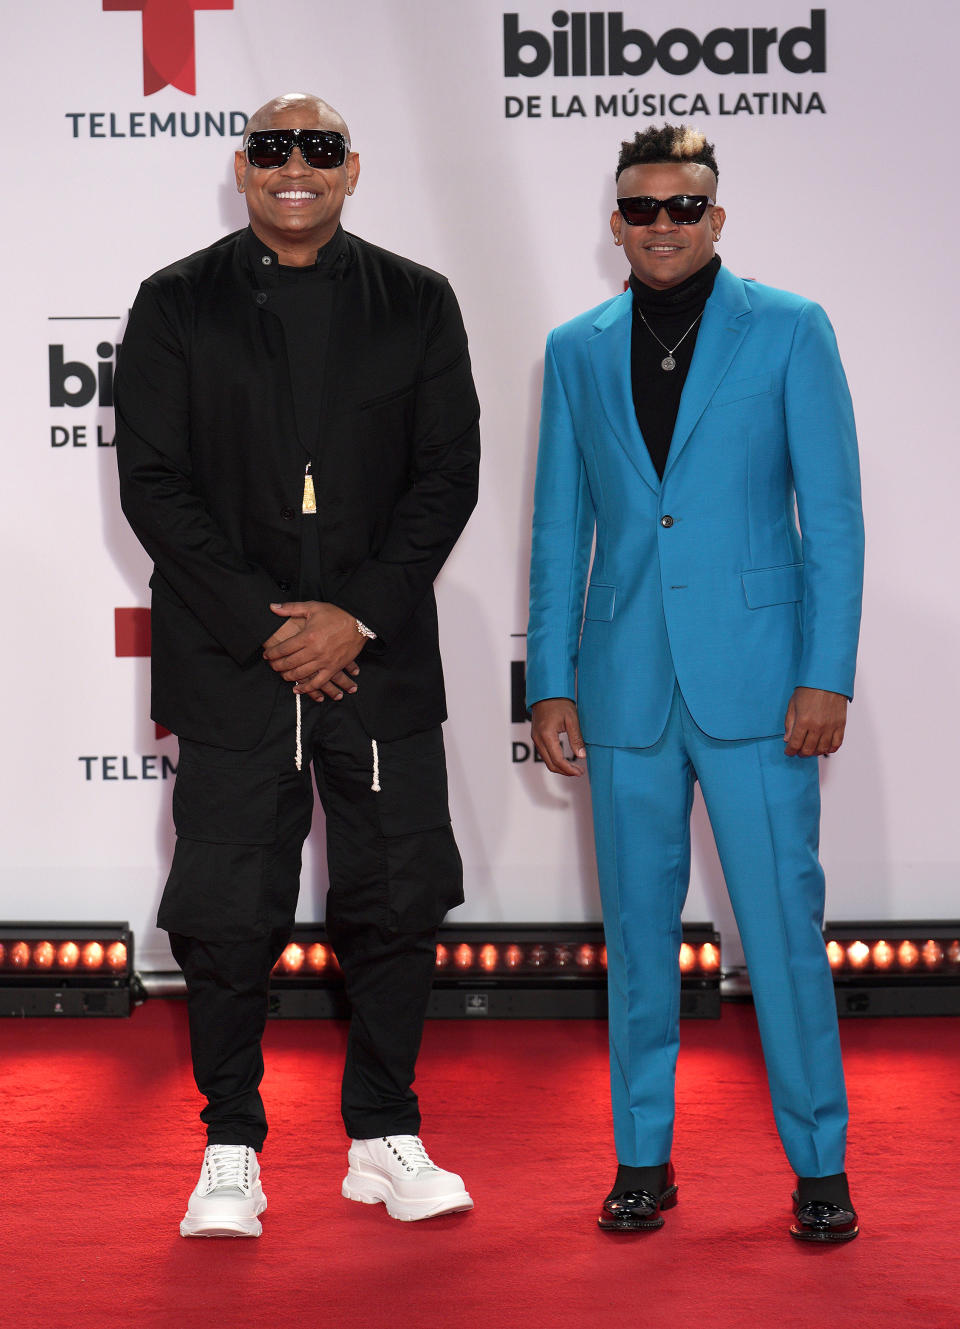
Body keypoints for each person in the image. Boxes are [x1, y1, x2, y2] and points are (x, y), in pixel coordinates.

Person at [115, 92, 480, 1236]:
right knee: (226, 912)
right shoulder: (175, 301)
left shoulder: (418, 300)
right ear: (241, 166)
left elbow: (446, 478)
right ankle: (231, 1148)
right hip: (234, 662)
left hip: (378, 654)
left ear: (352, 170)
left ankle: (385, 1133)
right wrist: (274, 629)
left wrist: (353, 618)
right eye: (273, 149)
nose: (294, 169)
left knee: (396, 896)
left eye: (318, 151)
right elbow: (154, 486)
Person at [526, 124, 863, 1242]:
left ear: (717, 219)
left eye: (683, 207)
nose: (661, 225)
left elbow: (837, 522)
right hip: (622, 688)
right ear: (614, 221)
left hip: (764, 688)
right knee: (635, 933)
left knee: (781, 930)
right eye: (641, 208)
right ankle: (642, 1158)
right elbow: (558, 524)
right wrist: (552, 678)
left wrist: (826, 674)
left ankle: (821, 1165)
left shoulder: (793, 330)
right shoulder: (576, 346)